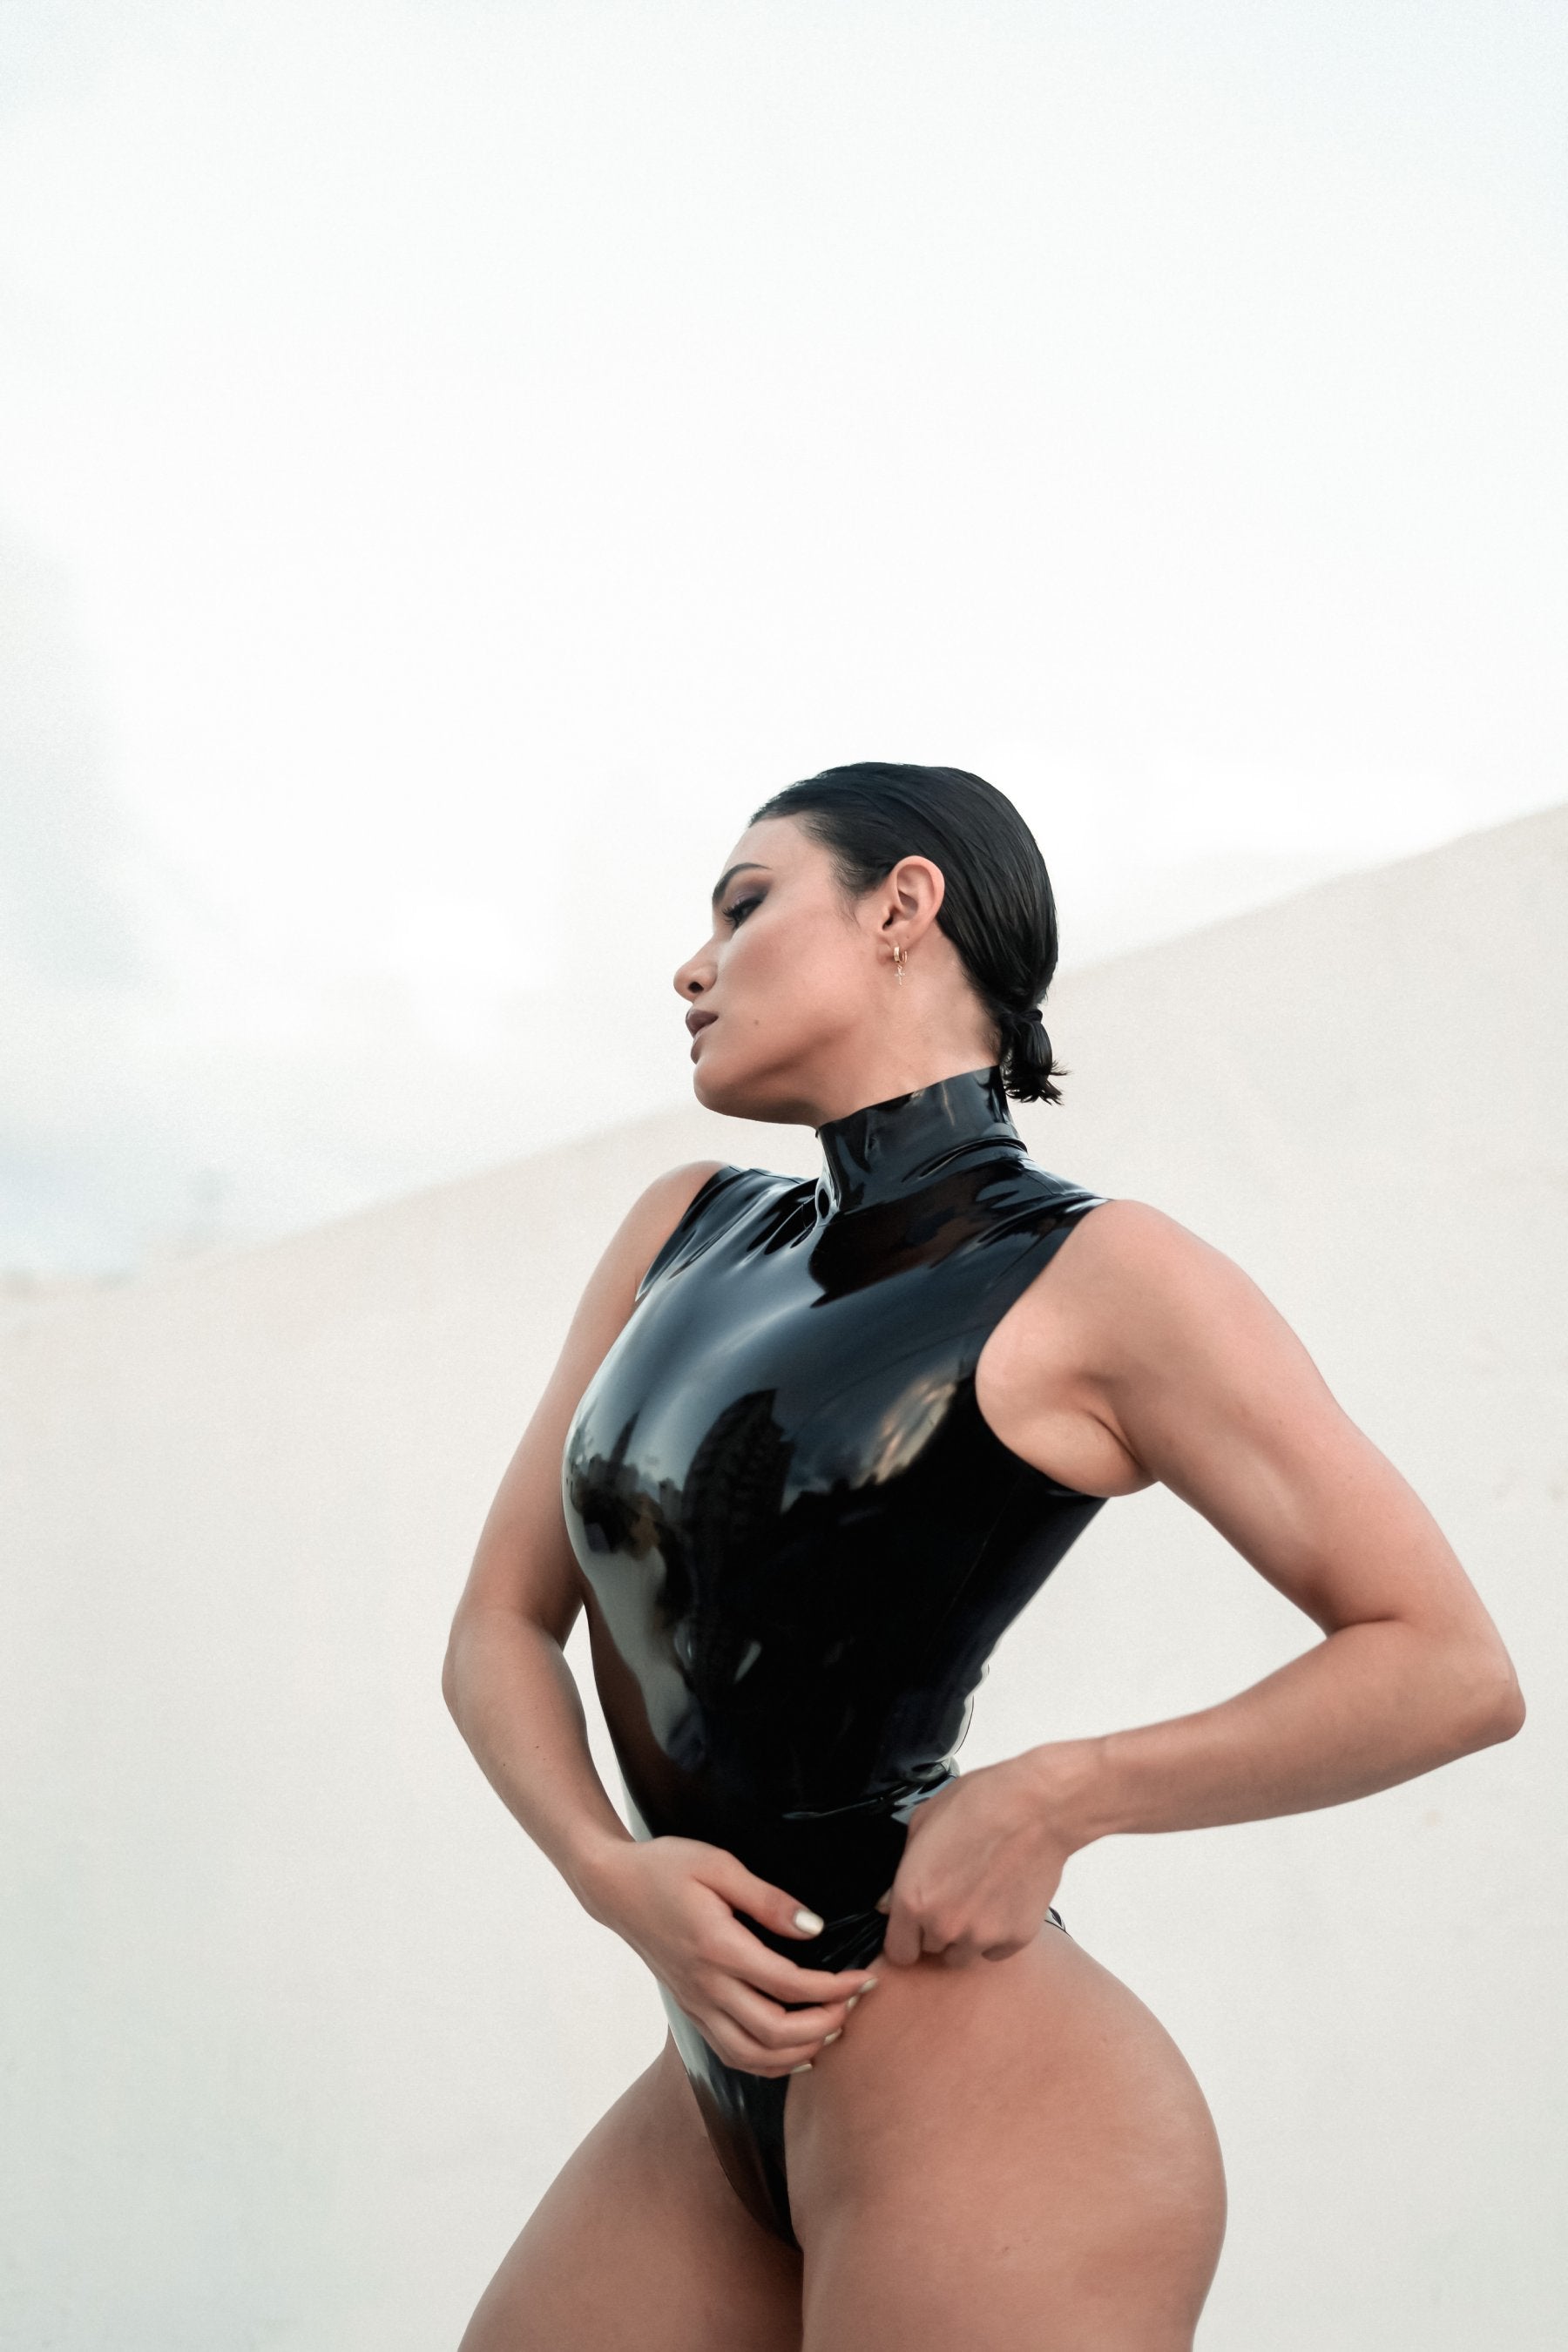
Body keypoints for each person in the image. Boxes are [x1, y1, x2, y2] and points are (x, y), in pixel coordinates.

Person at [443, 762, 1524, 2352]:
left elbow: (1448, 1665)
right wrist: (609, 1875)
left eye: (744, 908)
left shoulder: (1102, 1273)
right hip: (712, 2076)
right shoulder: (682, 1233)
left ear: (903, 907)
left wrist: (1061, 1794)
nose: (692, 967)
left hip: (973, 2071)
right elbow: (496, 1626)